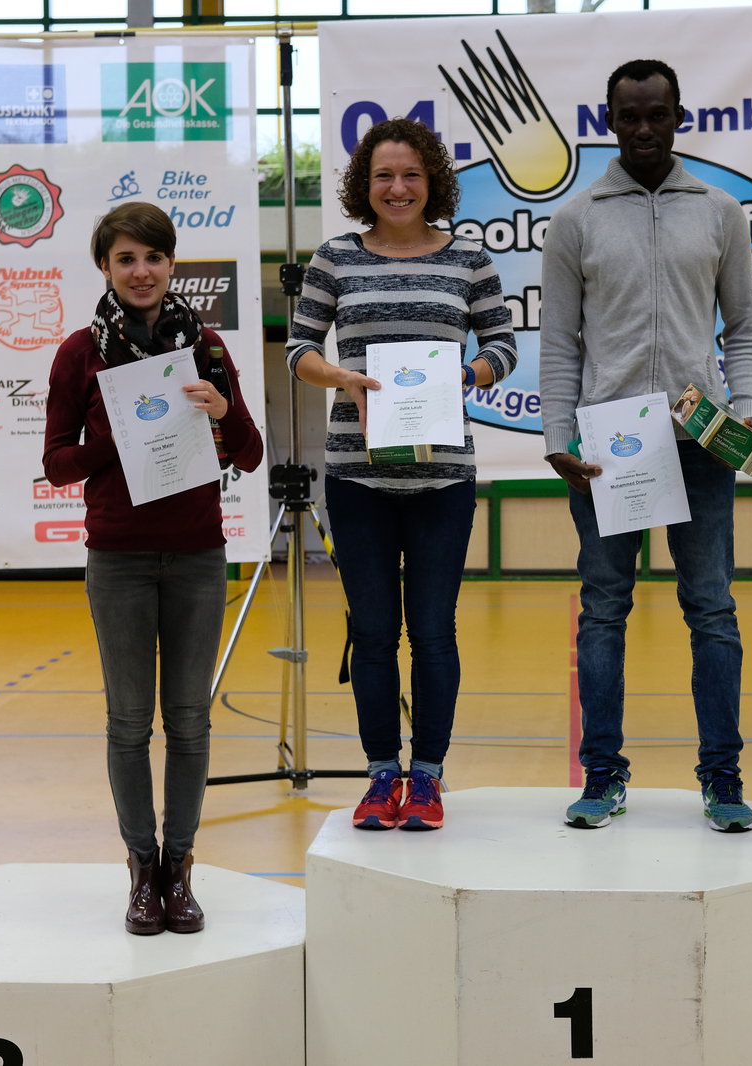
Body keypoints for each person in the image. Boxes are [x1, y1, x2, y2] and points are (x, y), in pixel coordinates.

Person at [539, 59, 752, 832]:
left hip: (702, 441)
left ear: (679, 117)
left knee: (713, 610)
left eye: (657, 114)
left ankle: (722, 776)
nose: (643, 129)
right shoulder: (576, 220)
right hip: (612, 445)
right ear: (609, 121)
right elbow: (559, 342)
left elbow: (744, 327)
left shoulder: (720, 213)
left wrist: (749, 407)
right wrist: (557, 437)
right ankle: (602, 773)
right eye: (629, 116)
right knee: (603, 611)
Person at [286, 117, 517, 831]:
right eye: (383, 175)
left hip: (444, 479)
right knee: (374, 633)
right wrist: (342, 378)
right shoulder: (334, 258)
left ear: (432, 181)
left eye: (411, 174)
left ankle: (429, 778)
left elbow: (504, 346)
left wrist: (465, 374)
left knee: (434, 631)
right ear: (365, 184)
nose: (397, 187)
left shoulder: (469, 260)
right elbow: (299, 349)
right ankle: (382, 773)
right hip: (356, 477)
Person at [42, 202, 263, 935]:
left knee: (191, 721)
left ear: (172, 264)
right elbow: (56, 463)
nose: (142, 272)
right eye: (126, 259)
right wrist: (116, 438)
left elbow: (250, 453)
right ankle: (142, 870)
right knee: (130, 722)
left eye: (154, 258)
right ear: (104, 267)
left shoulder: (206, 347)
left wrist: (223, 409)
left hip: (198, 555)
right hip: (119, 559)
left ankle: (180, 867)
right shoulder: (80, 353)